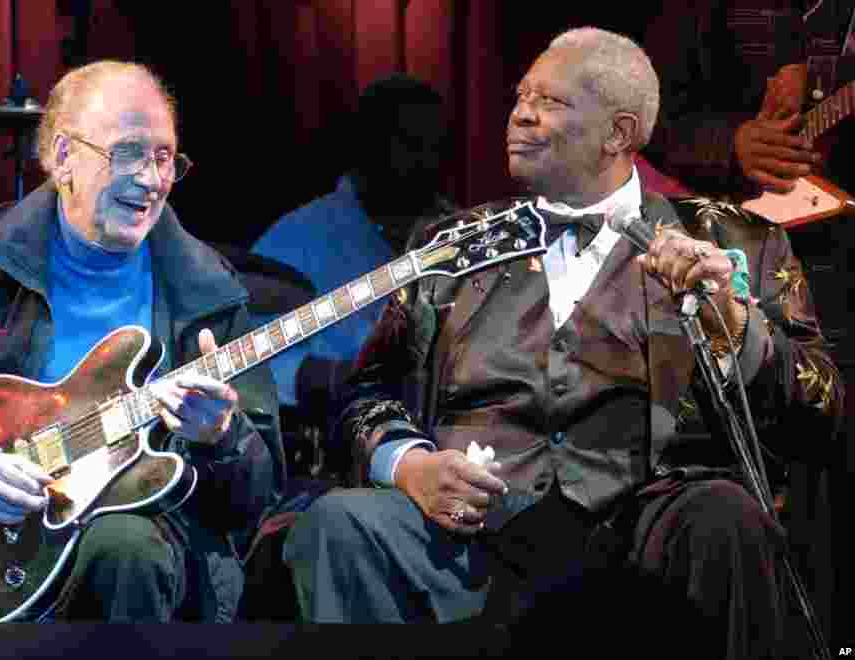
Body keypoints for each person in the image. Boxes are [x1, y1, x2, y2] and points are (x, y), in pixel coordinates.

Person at [283, 27, 843, 658]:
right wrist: (409, 464)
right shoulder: (453, 241)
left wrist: (738, 328)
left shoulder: (738, 240)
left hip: (647, 535)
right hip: (473, 535)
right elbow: (368, 389)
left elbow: (823, 410)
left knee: (724, 514)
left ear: (619, 132)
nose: (520, 112)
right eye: (521, 95)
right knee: (340, 524)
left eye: (549, 101)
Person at [0, 60, 285, 623]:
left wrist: (221, 437)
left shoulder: (208, 289)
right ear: (63, 157)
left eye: (165, 157)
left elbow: (257, 493)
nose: (151, 178)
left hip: (137, 552)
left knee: (126, 548)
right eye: (128, 152)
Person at [249, 73, 454, 474]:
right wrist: (319, 375)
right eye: (411, 145)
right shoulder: (300, 235)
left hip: (442, 445)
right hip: (331, 449)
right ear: (370, 147)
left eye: (437, 148)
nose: (426, 161)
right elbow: (249, 360)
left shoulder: (458, 232)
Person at [642, 0, 853, 197]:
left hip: (827, 195)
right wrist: (729, 146)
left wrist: (822, 76)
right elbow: (646, 112)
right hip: (709, 201)